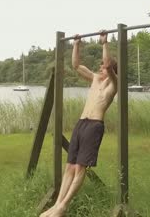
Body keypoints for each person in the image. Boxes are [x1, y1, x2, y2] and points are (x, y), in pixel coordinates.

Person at [40, 31, 118, 217]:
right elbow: (76, 65)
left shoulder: (114, 84)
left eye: (104, 67)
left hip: (94, 127)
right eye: (100, 66)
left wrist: (104, 44)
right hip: (81, 124)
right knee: (70, 166)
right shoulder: (95, 80)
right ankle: (57, 205)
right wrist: (76, 44)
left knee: (81, 167)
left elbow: (108, 64)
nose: (101, 68)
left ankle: (64, 206)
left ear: (112, 70)